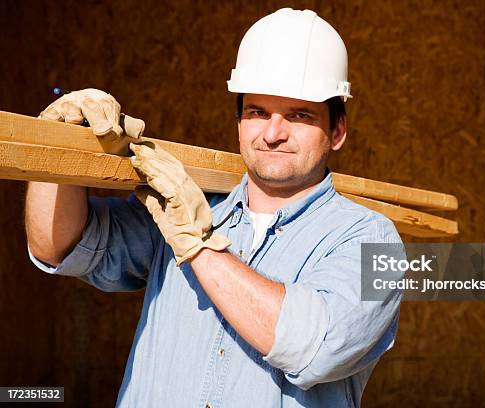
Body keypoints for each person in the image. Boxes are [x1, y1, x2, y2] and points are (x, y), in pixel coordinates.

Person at [25, 8, 403, 408]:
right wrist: (59, 145)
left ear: (338, 130)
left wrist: (198, 245)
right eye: (257, 112)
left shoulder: (375, 243)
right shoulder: (182, 207)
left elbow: (313, 346)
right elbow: (60, 246)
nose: (273, 133)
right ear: (239, 121)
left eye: (299, 115)